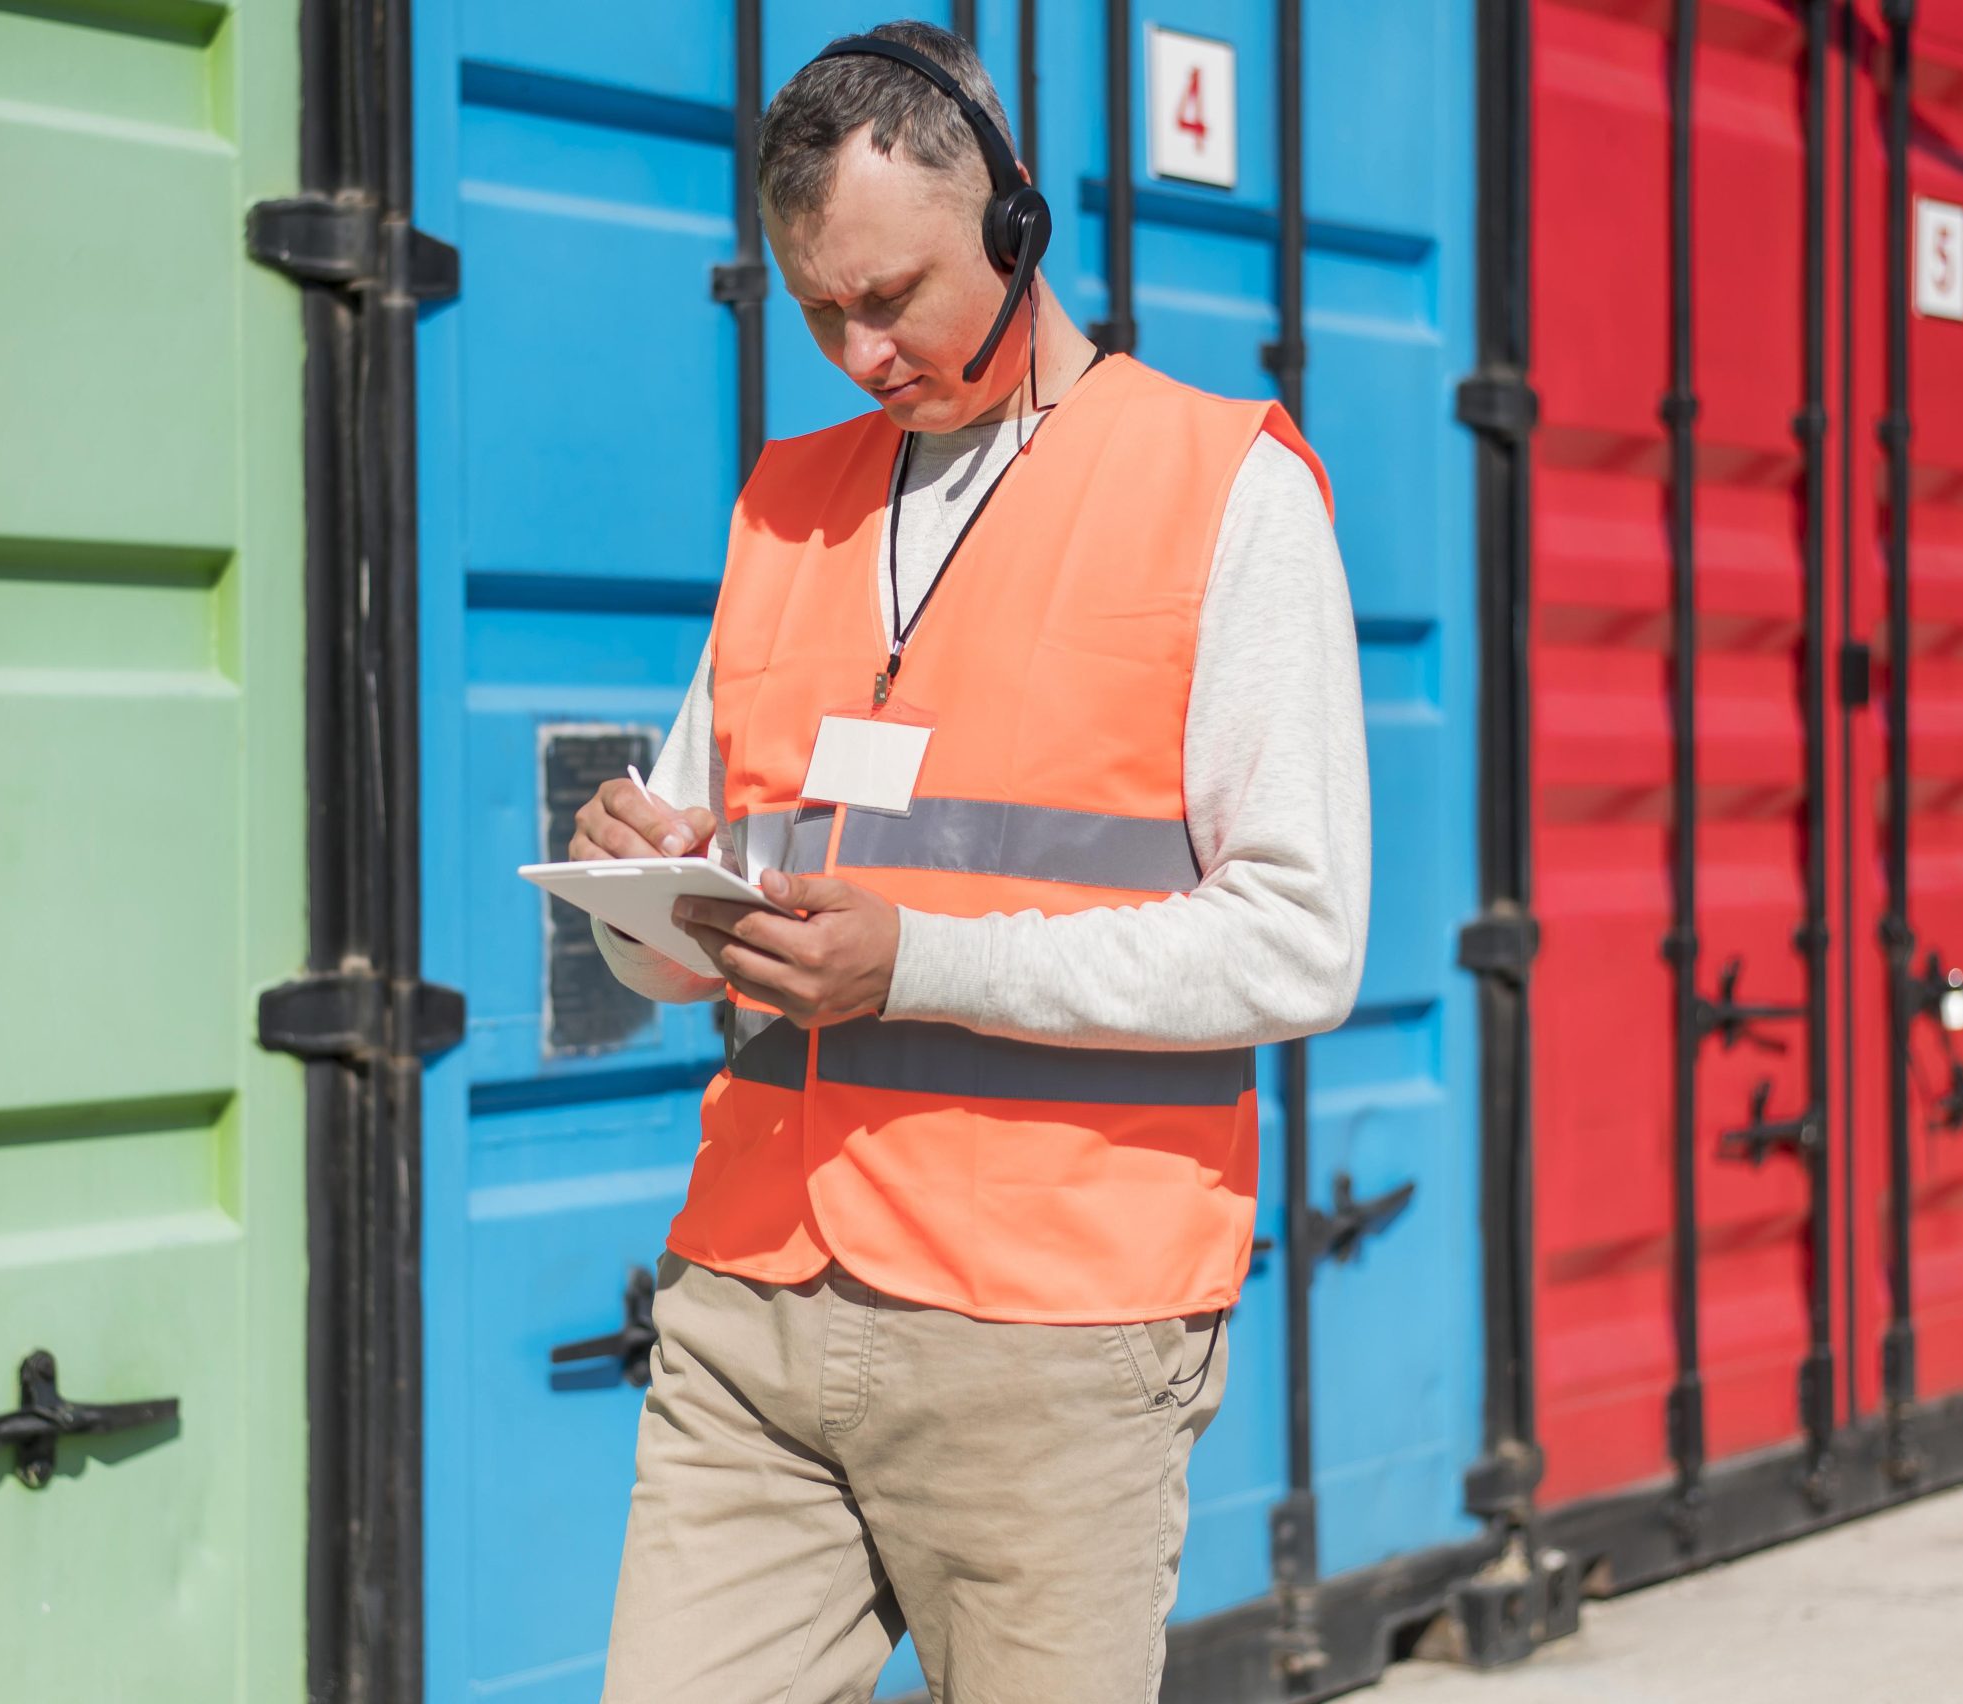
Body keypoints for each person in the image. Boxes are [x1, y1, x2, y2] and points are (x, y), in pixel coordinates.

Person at [570, 21, 1369, 1703]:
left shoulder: (1223, 488)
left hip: (1054, 1334)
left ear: (1017, 226)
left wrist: (921, 963)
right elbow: (683, 938)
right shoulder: (786, 504)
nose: (862, 351)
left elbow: (1301, 941)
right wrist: (640, 888)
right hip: (753, 1305)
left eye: (895, 295)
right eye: (820, 313)